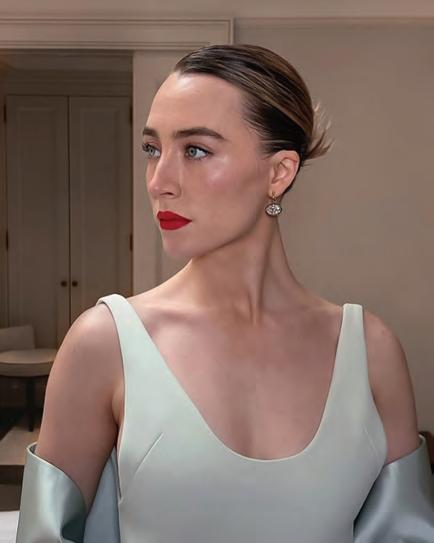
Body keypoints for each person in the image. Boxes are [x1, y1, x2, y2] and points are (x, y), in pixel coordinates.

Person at [16, 44, 434, 542]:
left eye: (195, 150)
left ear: (279, 173)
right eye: (152, 149)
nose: (159, 182)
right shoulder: (104, 344)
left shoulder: (370, 351)